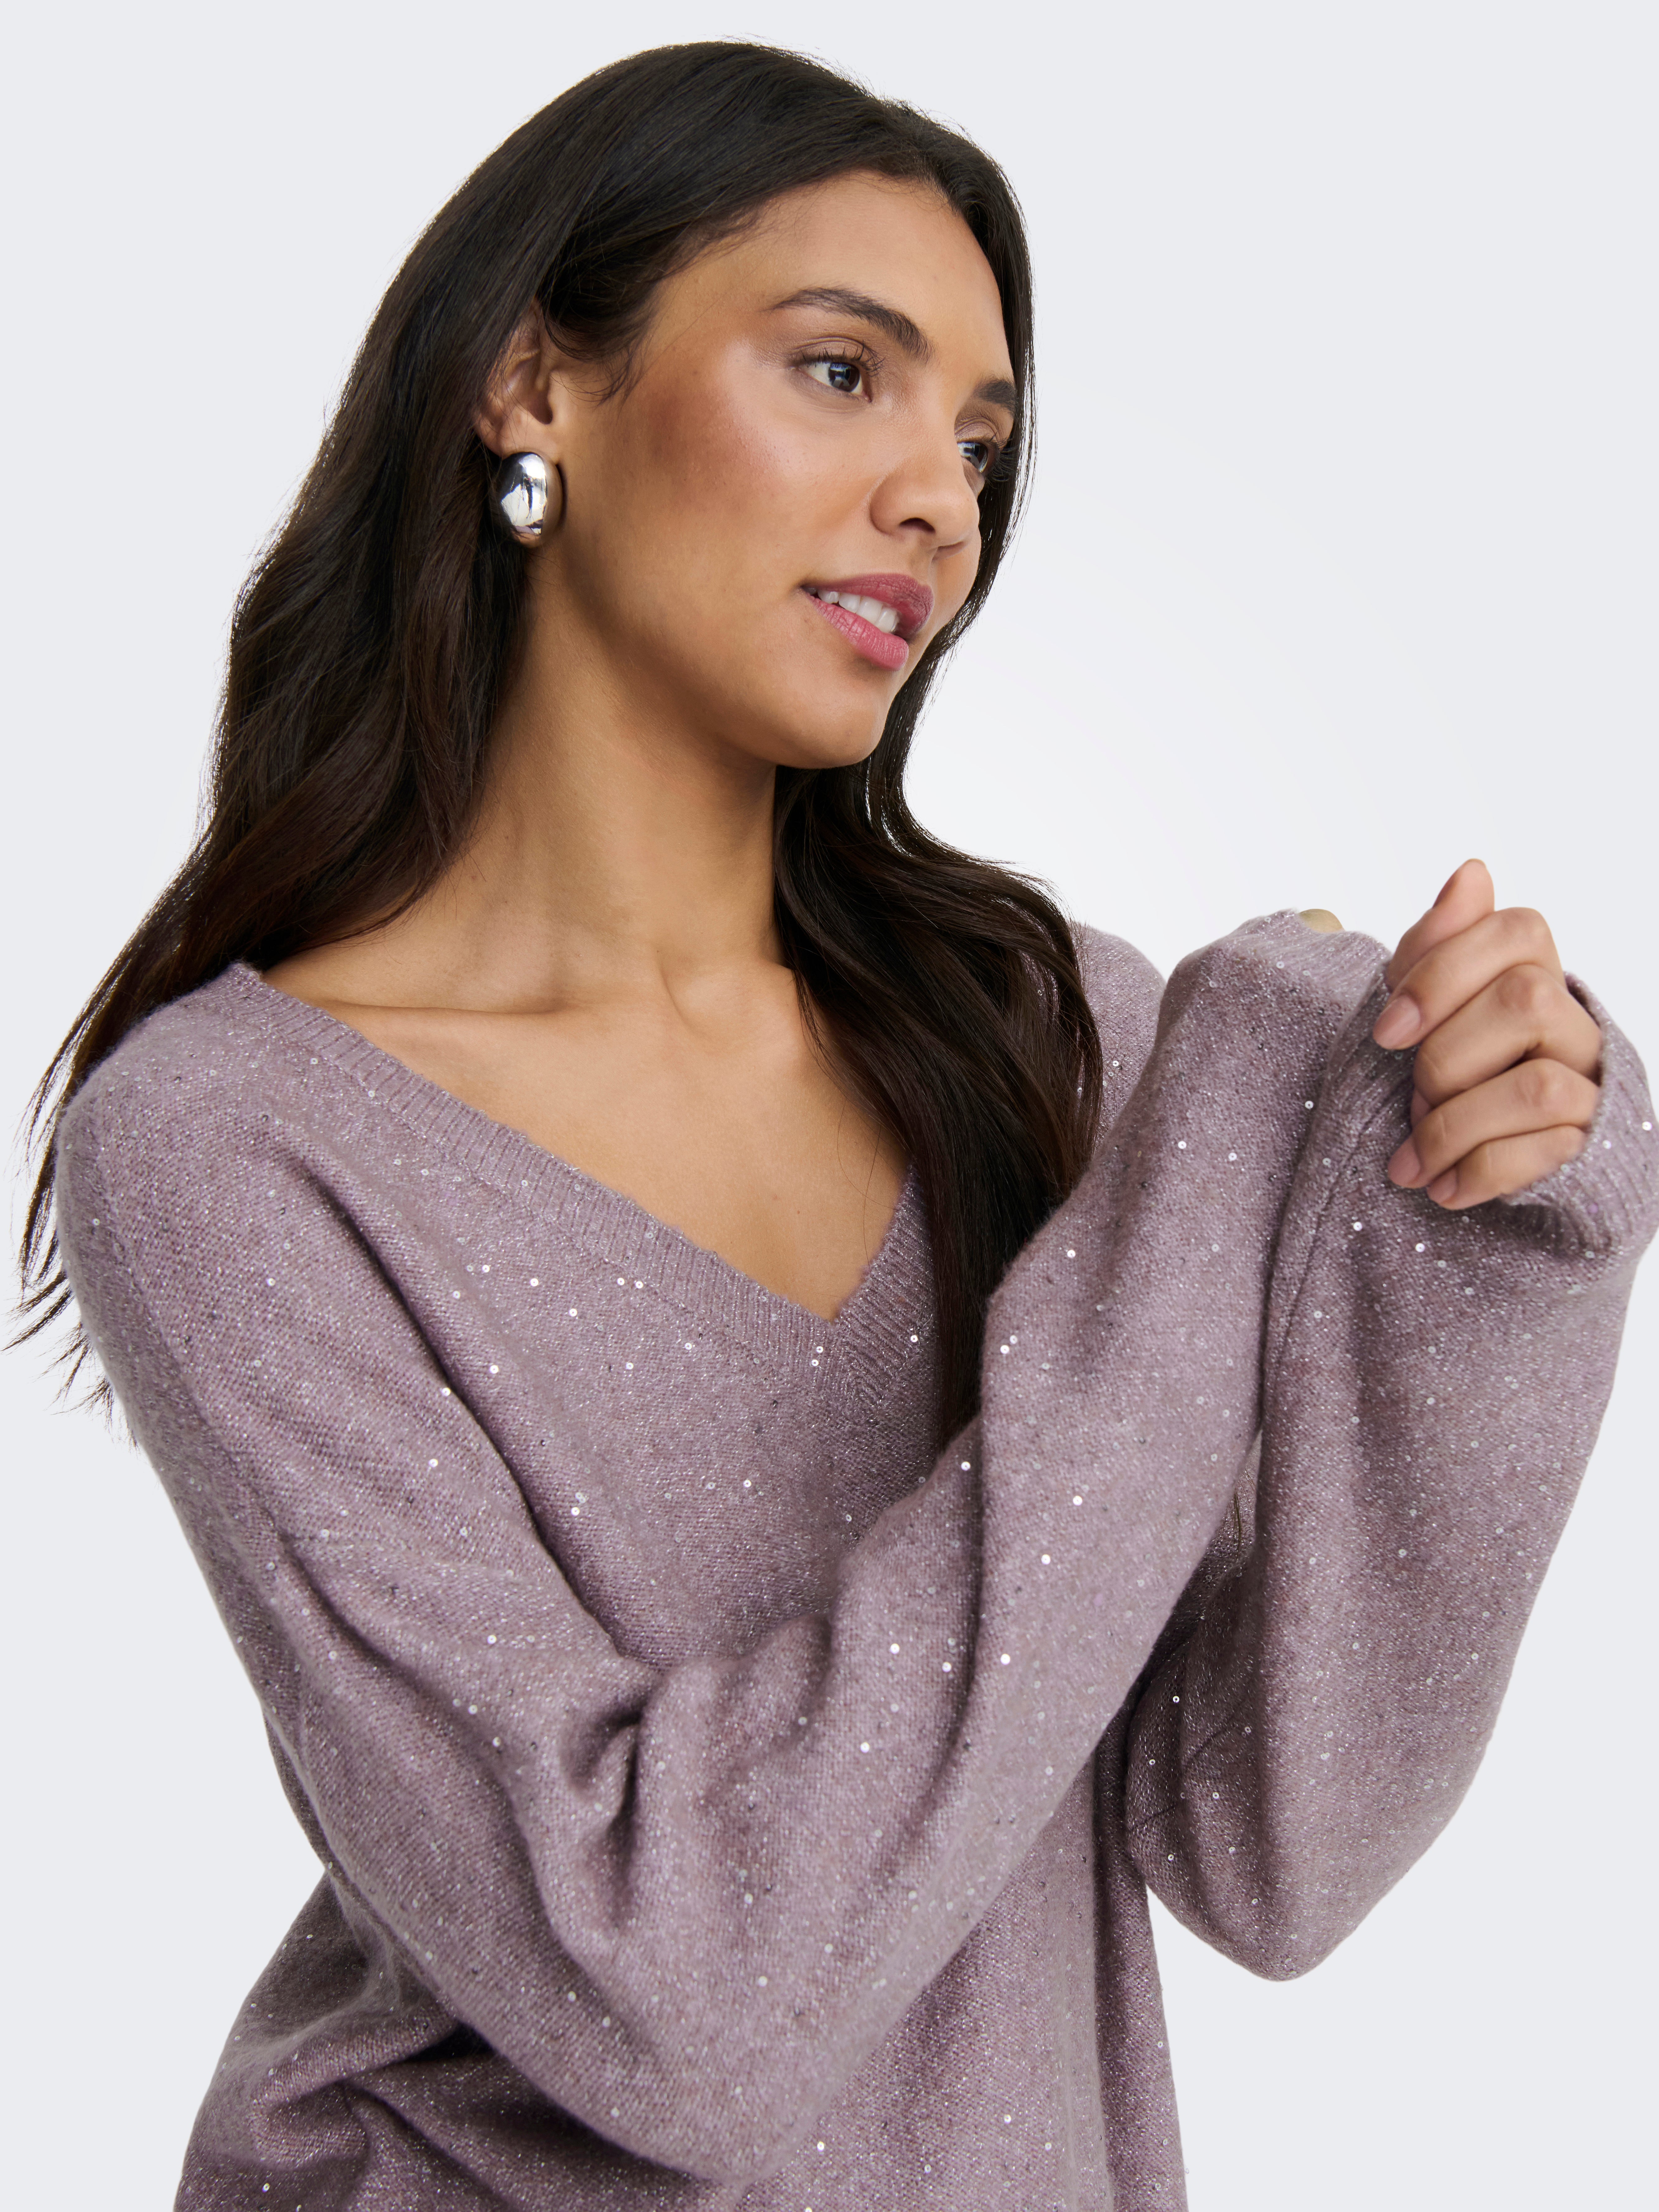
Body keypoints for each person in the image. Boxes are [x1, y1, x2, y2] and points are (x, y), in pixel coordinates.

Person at [22, 40, 1654, 2212]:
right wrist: (1200, 1192)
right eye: (837, 372)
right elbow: (663, 1995)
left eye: (979, 438)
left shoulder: (1045, 1037)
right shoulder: (235, 1142)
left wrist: (1490, 1235)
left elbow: (1265, 1844)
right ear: (531, 384)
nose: (939, 502)